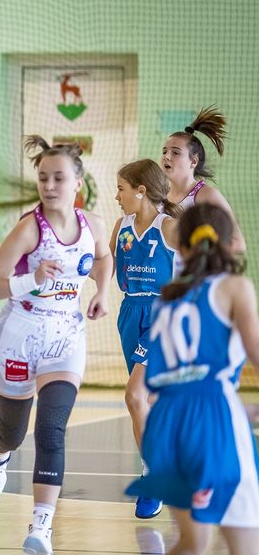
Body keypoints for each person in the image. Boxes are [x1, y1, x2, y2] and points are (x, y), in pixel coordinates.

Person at [123, 204, 259, 555]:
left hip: (168, 422)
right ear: (230, 243)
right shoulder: (236, 287)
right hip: (213, 419)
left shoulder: (168, 296)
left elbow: (175, 377)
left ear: (180, 247)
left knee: (191, 542)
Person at [0, 137, 113, 555]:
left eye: (59, 178)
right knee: (13, 432)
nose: (50, 186)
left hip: (66, 336)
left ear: (78, 183)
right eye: (43, 178)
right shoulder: (28, 229)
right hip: (21, 333)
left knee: (52, 430)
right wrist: (30, 279)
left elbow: (103, 258)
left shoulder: (93, 225)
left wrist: (102, 292)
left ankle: (40, 527)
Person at [111, 159, 182, 520]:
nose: (117, 196)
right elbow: (103, 264)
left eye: (121, 189)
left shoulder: (169, 228)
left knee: (134, 395)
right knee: (146, 403)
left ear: (140, 191)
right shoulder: (121, 227)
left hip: (161, 316)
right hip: (130, 313)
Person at [161, 106, 245, 253]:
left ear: (193, 161)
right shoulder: (160, 195)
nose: (166, 156)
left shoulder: (207, 195)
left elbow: (238, 244)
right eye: (164, 151)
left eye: (175, 152)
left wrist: (197, 254)